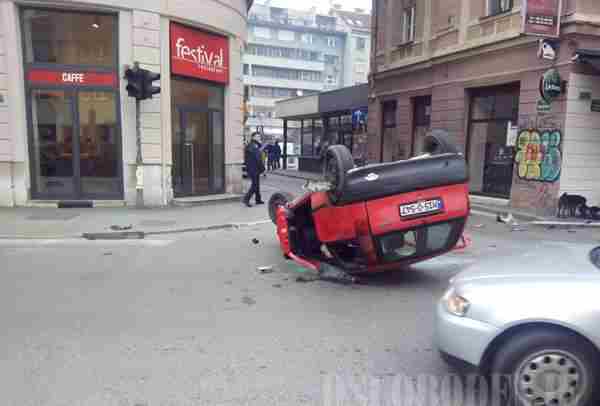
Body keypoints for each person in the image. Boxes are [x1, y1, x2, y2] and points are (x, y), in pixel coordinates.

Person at [243, 132, 265, 207]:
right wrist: (263, 168)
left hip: (253, 168)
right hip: (253, 168)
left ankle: (258, 199)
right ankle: (246, 199)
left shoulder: (253, 145)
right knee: (255, 185)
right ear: (253, 137)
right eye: (257, 136)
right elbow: (258, 158)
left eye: (259, 136)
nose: (259, 137)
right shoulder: (253, 146)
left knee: (257, 184)